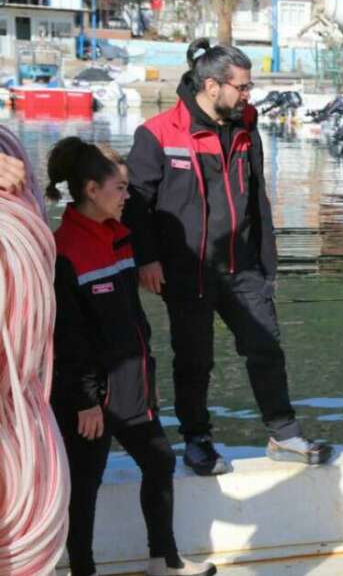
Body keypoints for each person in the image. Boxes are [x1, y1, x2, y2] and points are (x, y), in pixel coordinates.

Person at [122, 38, 332, 475]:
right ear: (212, 85)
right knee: (194, 360)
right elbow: (136, 204)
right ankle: (198, 442)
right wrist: (147, 259)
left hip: (244, 267)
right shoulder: (159, 133)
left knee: (265, 347)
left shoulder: (245, 126)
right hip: (187, 271)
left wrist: (266, 261)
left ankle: (284, 433)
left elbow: (256, 195)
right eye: (242, 87)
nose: (248, 94)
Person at [46, 137, 216, 576]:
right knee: (84, 486)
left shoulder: (120, 237)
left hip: (133, 385)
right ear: (90, 190)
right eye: (120, 188)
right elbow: (67, 336)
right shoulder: (63, 250)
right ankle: (83, 570)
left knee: (159, 460)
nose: (128, 196)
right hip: (91, 396)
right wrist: (85, 399)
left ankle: (166, 561)